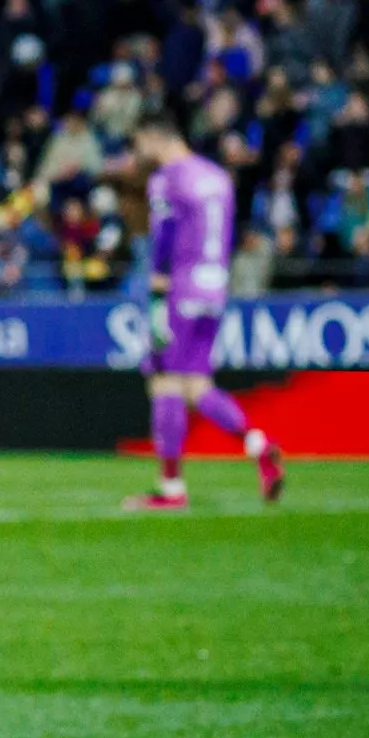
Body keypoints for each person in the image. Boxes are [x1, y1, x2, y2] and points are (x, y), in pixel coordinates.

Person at [127, 115, 283, 510]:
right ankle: (258, 445)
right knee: (196, 385)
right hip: (214, 285)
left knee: (163, 381)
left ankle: (170, 489)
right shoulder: (217, 177)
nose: (138, 153)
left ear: (154, 137)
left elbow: (163, 232)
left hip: (180, 285)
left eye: (139, 144)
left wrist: (159, 281)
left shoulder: (167, 178)